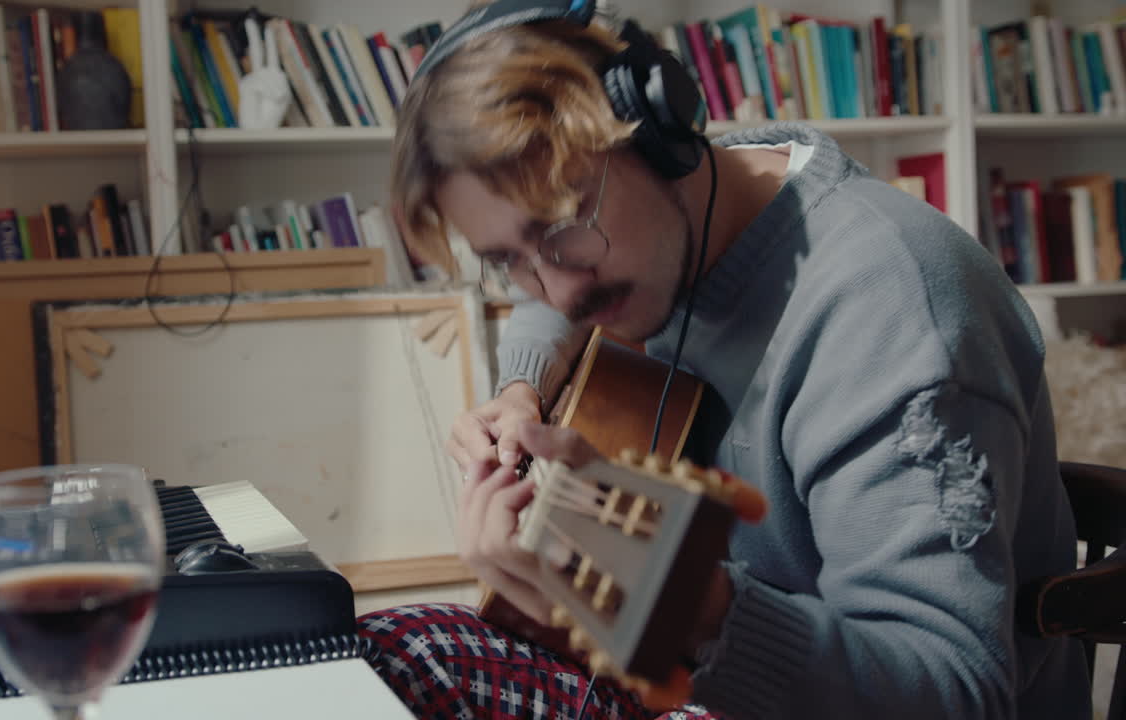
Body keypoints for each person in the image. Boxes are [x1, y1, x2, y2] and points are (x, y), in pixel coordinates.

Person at [358, 2, 1092, 718]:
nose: (557, 287)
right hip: (703, 675)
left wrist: (675, 599)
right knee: (385, 656)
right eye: (506, 260)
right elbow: (554, 297)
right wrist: (521, 388)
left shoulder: (888, 310)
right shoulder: (677, 215)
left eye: (559, 232)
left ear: (656, 136)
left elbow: (957, 690)